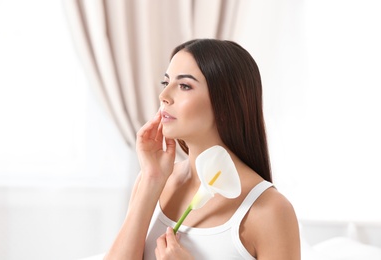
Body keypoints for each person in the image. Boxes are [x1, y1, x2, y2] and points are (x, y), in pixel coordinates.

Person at [105, 39, 300, 259]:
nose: (164, 96)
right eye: (165, 83)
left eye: (185, 86)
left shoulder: (270, 210)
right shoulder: (151, 181)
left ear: (226, 104)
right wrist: (151, 179)